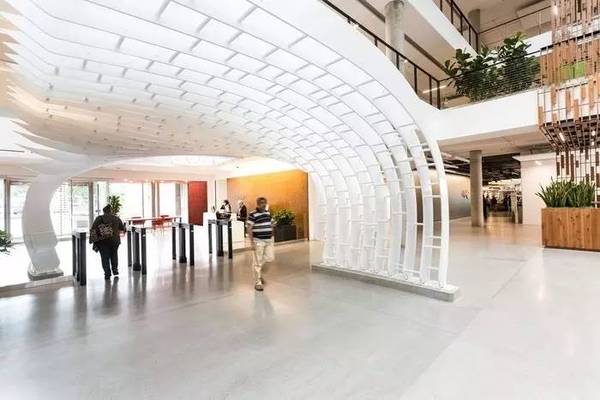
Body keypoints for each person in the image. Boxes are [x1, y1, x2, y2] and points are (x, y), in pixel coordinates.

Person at [247, 197, 275, 291]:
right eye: (262, 203)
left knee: (270, 258)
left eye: (265, 203)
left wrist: (272, 230)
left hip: (268, 240)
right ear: (258, 204)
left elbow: (272, 223)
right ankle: (258, 282)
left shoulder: (268, 213)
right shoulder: (252, 214)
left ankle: (259, 272)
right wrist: (251, 242)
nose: (264, 204)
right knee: (257, 261)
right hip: (258, 240)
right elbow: (249, 228)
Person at [90, 205, 125, 280]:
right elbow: (122, 228)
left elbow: (93, 229)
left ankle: (107, 273)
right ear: (110, 211)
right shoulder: (116, 218)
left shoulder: (99, 218)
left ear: (104, 211)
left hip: (103, 241)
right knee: (114, 255)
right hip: (115, 241)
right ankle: (115, 270)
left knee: (104, 257)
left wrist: (93, 240)